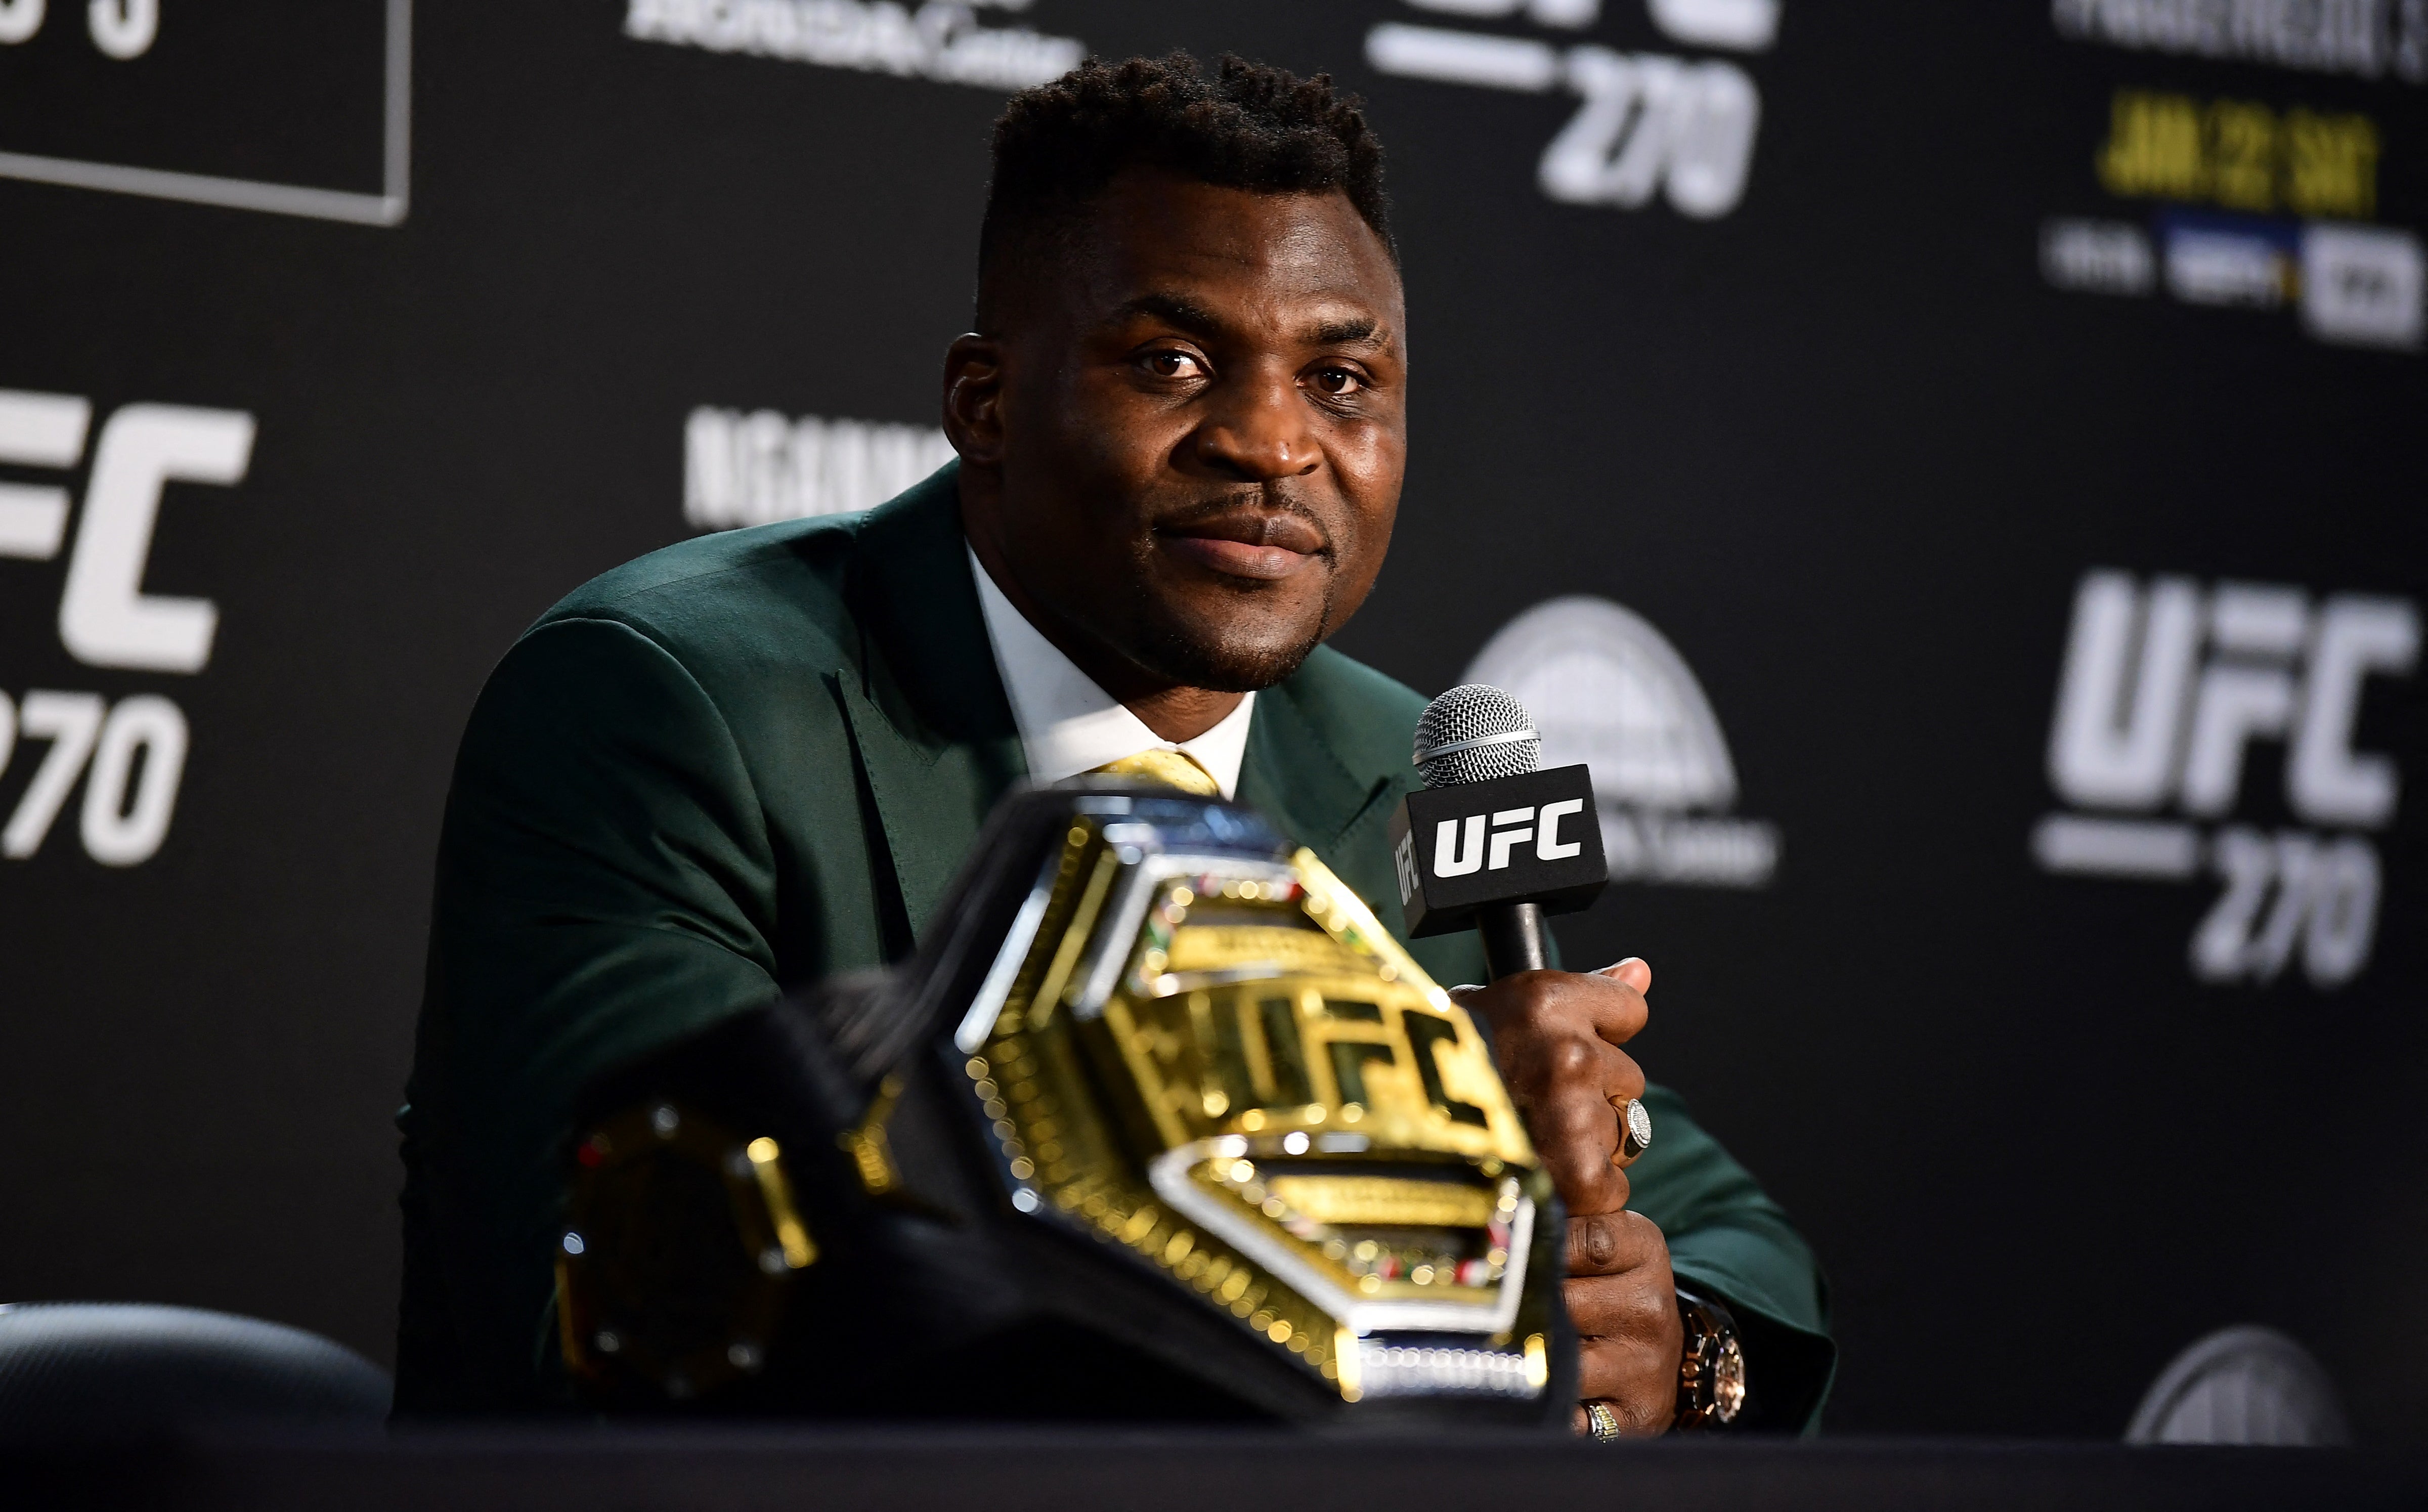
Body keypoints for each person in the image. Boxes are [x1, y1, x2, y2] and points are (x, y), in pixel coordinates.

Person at [397, 52, 1833, 1434]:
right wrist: (1368, 1125)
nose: (1273, 441)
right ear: (987, 402)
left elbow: (1724, 1234)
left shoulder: (1405, 764)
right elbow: (638, 1308)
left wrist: (1679, 1346)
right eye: (1174, 360)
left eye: (1341, 382)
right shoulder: (672, 701)